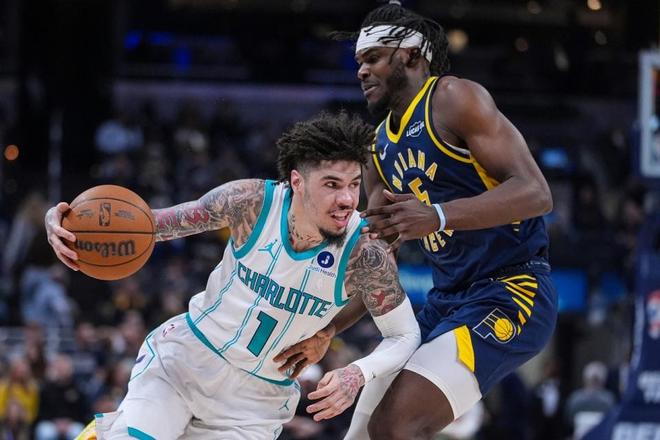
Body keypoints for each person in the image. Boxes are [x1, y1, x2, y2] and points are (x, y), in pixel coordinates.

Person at [45, 111, 421, 440]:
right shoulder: (251, 203)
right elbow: (148, 226)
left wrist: (357, 373)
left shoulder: (365, 253)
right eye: (332, 184)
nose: (347, 199)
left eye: (354, 184)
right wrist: (66, 223)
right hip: (186, 360)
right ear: (297, 182)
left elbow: (405, 334)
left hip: (255, 402)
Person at [276, 2, 558, 438]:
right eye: (359, 62)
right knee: (363, 432)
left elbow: (537, 194)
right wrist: (329, 329)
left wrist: (438, 216)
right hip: (446, 301)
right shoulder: (377, 147)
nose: (361, 71)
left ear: (410, 55)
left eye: (373, 58)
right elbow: (377, 264)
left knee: (396, 424)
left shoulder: (453, 98)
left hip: (512, 289)